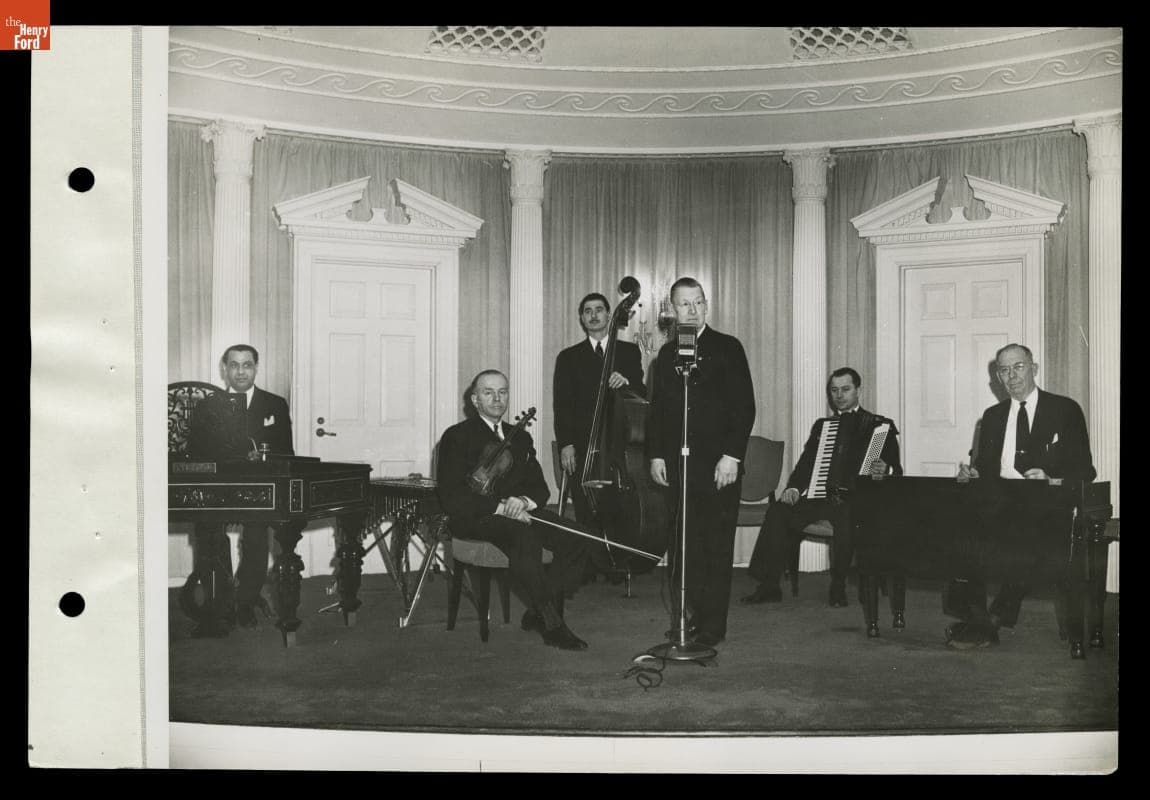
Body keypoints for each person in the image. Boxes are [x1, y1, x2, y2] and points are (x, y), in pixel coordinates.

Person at [945, 343, 1096, 649]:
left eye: (1018, 367)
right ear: (996, 377)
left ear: (1034, 369)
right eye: (1004, 370)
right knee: (958, 531)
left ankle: (992, 620)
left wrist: (1051, 478)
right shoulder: (993, 416)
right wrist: (972, 475)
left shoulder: (1064, 409)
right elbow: (985, 469)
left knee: (1026, 536)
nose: (1011, 376)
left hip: (1047, 506)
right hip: (1001, 504)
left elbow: (1085, 471)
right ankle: (979, 619)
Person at [437, 369, 595, 651]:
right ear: (474, 399)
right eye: (488, 392)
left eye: (503, 392)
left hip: (519, 512)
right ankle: (552, 624)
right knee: (525, 536)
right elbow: (453, 495)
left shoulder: (519, 438)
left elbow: (540, 488)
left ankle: (537, 608)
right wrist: (500, 507)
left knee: (577, 536)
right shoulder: (456, 436)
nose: (497, 398)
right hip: (476, 516)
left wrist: (524, 501)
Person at [647, 277, 756, 649]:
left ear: (706, 305)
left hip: (719, 466)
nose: (692, 311)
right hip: (680, 465)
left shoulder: (728, 347)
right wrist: (657, 454)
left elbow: (744, 407)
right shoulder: (666, 355)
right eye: (683, 305)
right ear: (672, 310)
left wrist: (732, 456)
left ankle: (713, 626)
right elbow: (659, 411)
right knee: (685, 546)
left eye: (698, 303)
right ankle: (692, 617)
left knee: (715, 545)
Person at [742, 368, 902, 608]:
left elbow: (895, 470)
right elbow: (806, 464)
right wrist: (794, 487)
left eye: (845, 389)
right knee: (778, 511)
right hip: (821, 497)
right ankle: (769, 585)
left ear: (859, 390)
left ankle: (838, 586)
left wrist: (884, 470)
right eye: (834, 390)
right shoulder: (823, 426)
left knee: (847, 518)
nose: (839, 395)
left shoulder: (880, 427)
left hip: (856, 501)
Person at [186, 344, 301, 629]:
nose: (240, 371)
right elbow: (196, 451)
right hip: (218, 486)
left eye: (247, 365)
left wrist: (263, 458)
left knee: (257, 538)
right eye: (234, 365)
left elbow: (287, 452)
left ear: (256, 368)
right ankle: (221, 603)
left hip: (258, 487)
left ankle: (246, 602)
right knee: (210, 536)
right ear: (224, 369)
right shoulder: (208, 405)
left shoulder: (275, 404)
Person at [553, 292, 645, 572]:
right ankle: (589, 565)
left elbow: (641, 394)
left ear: (609, 316)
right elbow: (562, 405)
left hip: (619, 443)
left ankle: (617, 563)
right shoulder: (568, 357)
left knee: (620, 504)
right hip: (583, 443)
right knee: (585, 503)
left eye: (599, 310)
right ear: (582, 318)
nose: (593, 315)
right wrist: (566, 444)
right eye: (587, 311)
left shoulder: (628, 352)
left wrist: (627, 382)